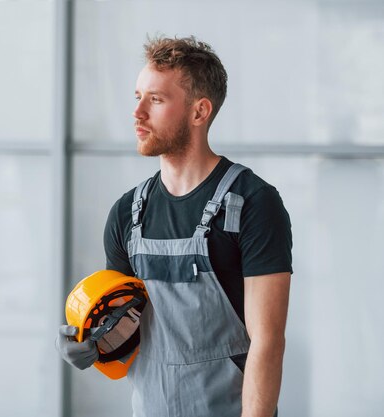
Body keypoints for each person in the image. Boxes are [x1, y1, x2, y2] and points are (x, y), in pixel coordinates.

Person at [56, 35, 292, 417]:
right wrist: (90, 342)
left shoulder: (253, 204)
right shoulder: (126, 214)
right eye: (138, 97)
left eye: (156, 99)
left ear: (199, 112)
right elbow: (124, 325)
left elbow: (268, 342)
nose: (138, 113)